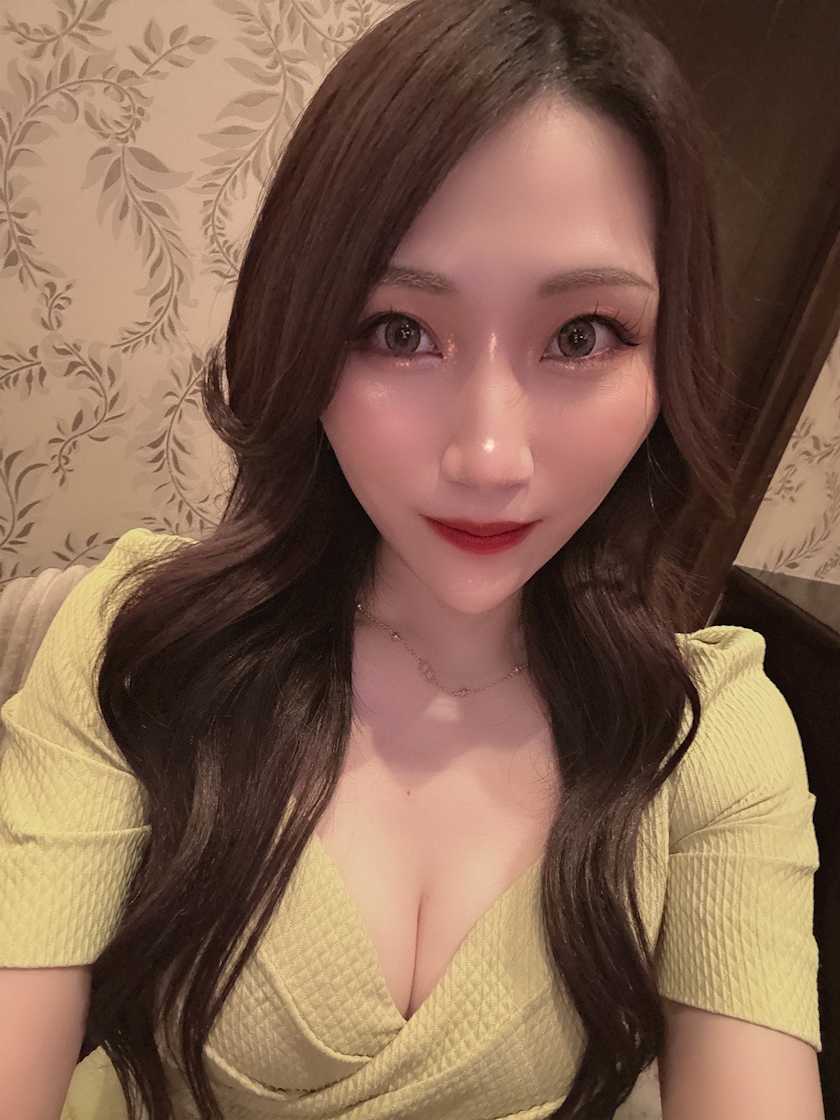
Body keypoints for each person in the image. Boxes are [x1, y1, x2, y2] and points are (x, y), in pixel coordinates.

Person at [0, 0, 824, 1117]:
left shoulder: (708, 730)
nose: (489, 457)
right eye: (400, 331)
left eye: (582, 335)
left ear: (665, 357)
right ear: (303, 336)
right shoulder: (138, 641)